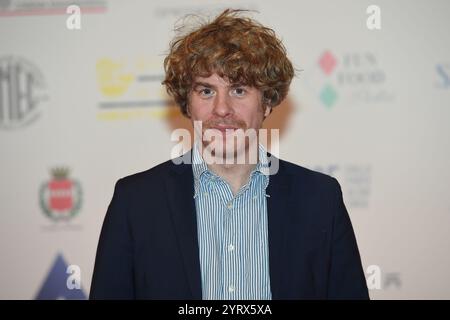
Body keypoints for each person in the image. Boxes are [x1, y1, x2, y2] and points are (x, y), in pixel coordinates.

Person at [90, 8, 369, 300]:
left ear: (268, 103)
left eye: (238, 90)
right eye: (206, 91)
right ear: (187, 103)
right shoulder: (135, 201)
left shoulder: (320, 199)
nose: (222, 109)